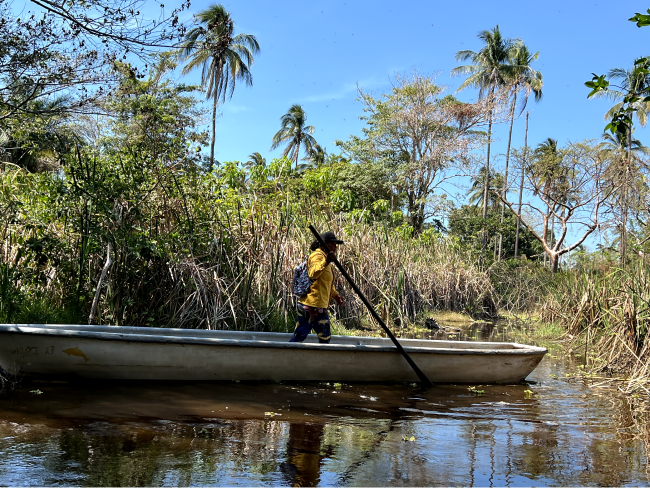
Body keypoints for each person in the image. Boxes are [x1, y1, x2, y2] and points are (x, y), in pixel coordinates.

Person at [290, 231, 344, 344]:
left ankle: (289, 354)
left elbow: (325, 282)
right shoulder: (317, 256)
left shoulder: (324, 257)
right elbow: (313, 274)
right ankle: (289, 356)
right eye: (332, 244)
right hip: (312, 306)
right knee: (322, 337)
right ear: (324, 244)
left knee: (302, 336)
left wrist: (336, 295)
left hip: (316, 305)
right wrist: (326, 261)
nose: (334, 247)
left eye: (335, 245)